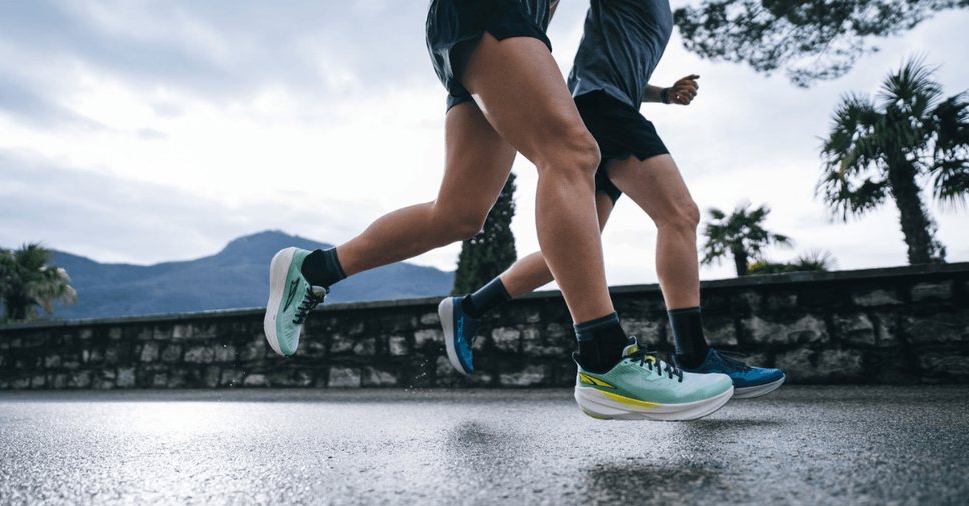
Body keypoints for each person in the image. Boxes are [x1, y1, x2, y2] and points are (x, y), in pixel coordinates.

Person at [265, 0, 734, 421]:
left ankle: (315, 269)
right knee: (572, 152)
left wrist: (534, 45)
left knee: (460, 213)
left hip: (494, 24)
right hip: (492, 14)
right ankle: (604, 357)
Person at [438, 0, 785, 402]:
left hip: (605, 104)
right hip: (603, 107)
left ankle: (471, 306)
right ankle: (695, 356)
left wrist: (664, 94)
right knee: (679, 214)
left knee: (575, 249)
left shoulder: (662, 12)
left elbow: (624, 72)